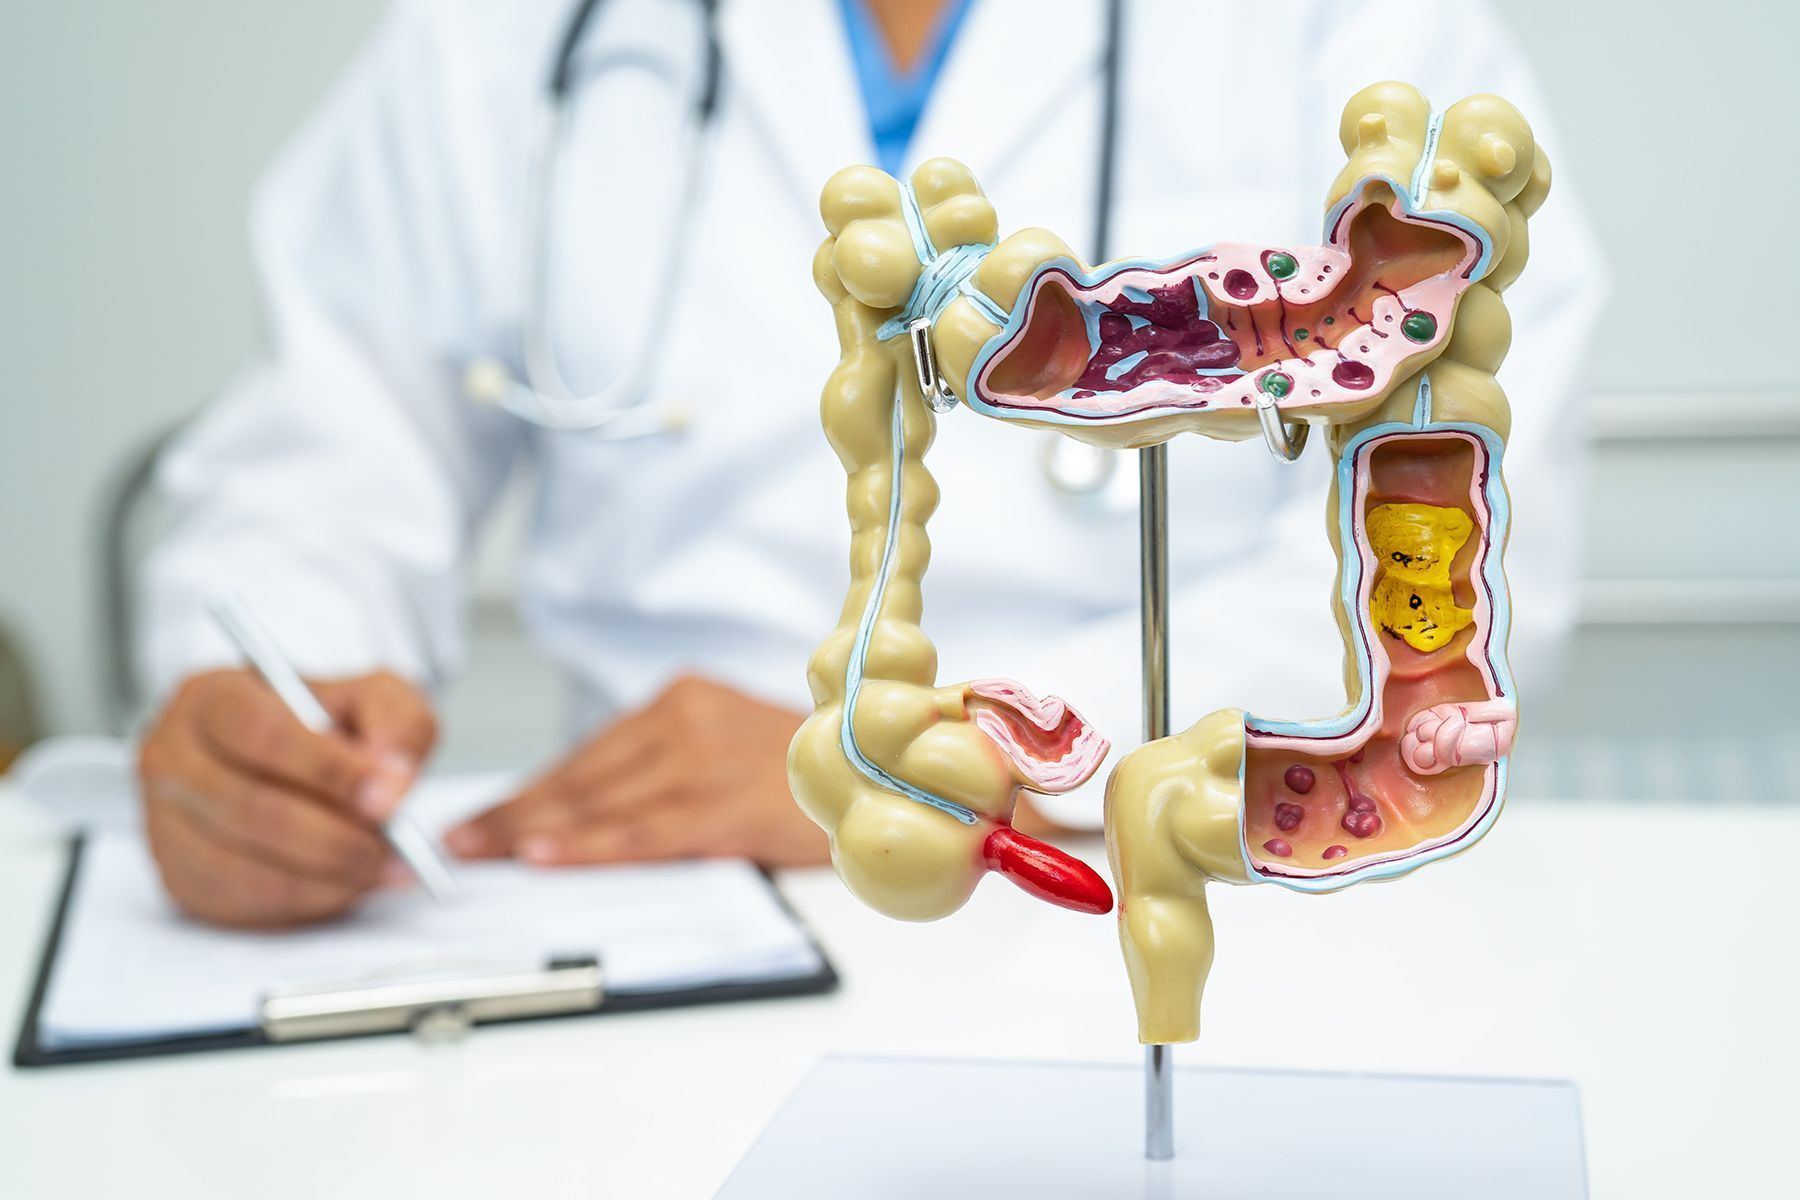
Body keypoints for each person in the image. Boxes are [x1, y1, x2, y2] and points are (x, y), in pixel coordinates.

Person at [134, 0, 1605, 927]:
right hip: (655, 910)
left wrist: (912, 753)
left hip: (1167, 870)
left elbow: (1464, 539)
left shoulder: (1368, 32)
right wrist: (280, 703)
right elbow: (331, 433)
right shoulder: (501, 34)